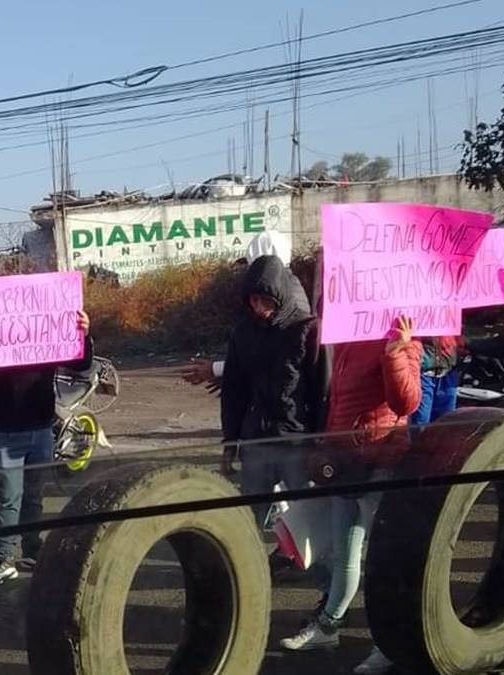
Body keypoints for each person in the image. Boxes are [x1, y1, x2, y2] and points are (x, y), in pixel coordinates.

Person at [279, 316, 421, 675]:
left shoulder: (401, 335)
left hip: (381, 462)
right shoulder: (348, 337)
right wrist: (326, 447)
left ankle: (389, 644)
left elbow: (407, 403)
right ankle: (329, 628)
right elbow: (339, 404)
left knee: (384, 562)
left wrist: (396, 352)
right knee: (345, 554)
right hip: (345, 463)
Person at [0, 309, 93, 586]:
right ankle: (3, 560)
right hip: (4, 431)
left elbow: (81, 364)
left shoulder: (47, 335)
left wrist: (83, 335)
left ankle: (31, 550)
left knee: (33, 495)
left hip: (40, 428)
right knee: (9, 498)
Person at [220, 255, 318, 516]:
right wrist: (230, 441)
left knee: (307, 516)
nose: (259, 307)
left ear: (280, 296)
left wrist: (322, 442)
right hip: (256, 441)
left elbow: (322, 390)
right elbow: (233, 390)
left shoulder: (305, 330)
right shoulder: (242, 333)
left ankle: (297, 558)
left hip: (296, 439)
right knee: (250, 517)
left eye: (266, 300)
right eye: (254, 300)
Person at [181, 230, 299, 389]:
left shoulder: (290, 300)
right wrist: (227, 376)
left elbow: (273, 359)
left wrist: (218, 370)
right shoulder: (285, 290)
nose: (258, 305)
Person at [411, 336, 460, 426]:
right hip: (423, 373)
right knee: (421, 420)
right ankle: (420, 439)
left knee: (447, 420)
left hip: (448, 372)